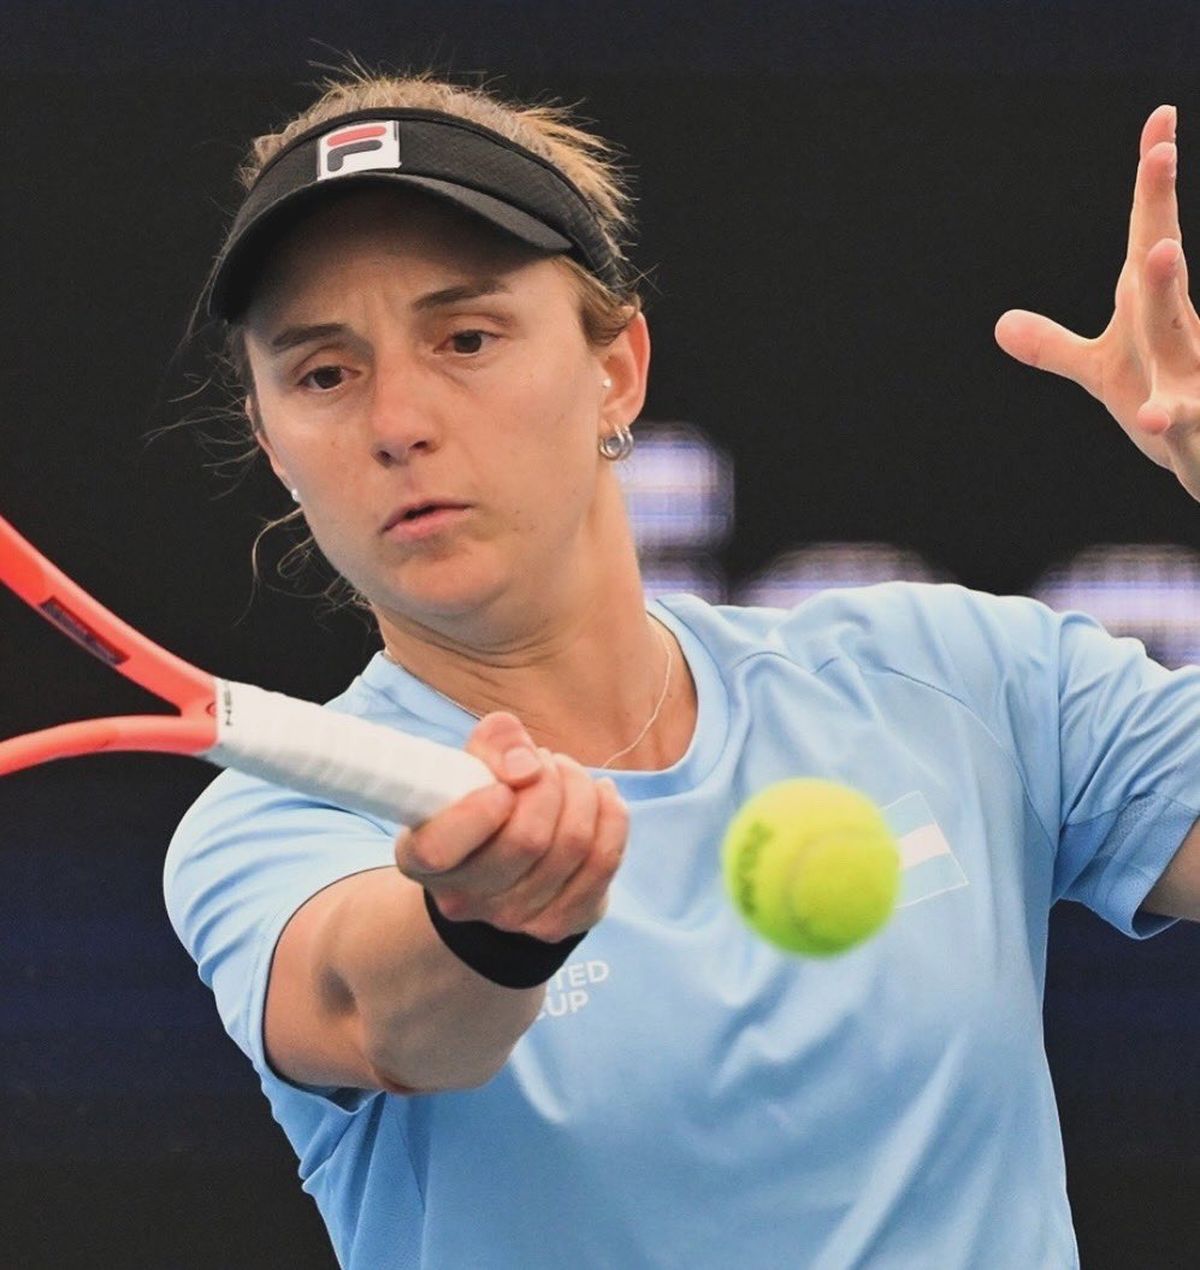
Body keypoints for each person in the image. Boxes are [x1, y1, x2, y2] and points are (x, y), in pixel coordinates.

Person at [164, 69, 1200, 1268]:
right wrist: (488, 918)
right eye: (324, 373)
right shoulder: (275, 824)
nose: (397, 420)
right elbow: (378, 1014)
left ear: (616, 368)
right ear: (273, 445)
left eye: (467, 337)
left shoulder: (974, 679)